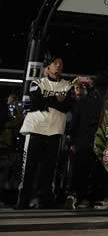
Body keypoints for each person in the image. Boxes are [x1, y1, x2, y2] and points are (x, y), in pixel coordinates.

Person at [17, 55, 75, 209]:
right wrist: (56, 100)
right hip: (35, 129)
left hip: (55, 131)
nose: (58, 66)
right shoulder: (37, 82)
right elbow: (35, 103)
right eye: (55, 63)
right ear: (47, 68)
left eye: (61, 63)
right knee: (29, 167)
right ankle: (22, 201)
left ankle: (45, 200)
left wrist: (48, 102)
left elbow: (67, 106)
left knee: (49, 169)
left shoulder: (67, 85)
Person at [64, 76, 102, 209]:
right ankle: (82, 198)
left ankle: (77, 196)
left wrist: (72, 140)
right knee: (85, 171)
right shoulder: (95, 100)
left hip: (82, 140)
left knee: (80, 170)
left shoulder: (83, 102)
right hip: (90, 139)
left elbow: (74, 123)